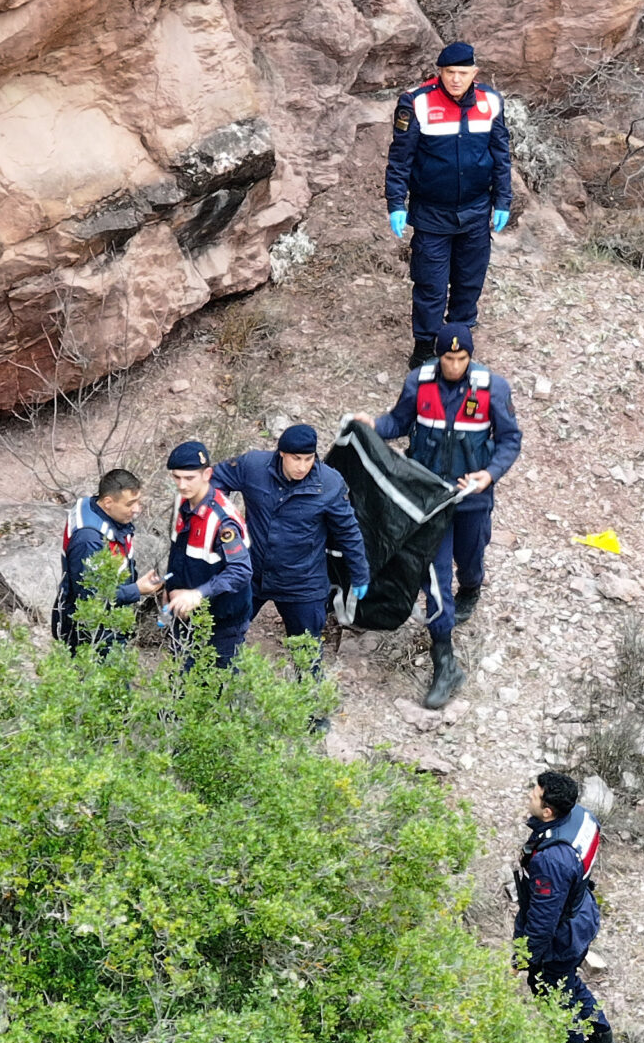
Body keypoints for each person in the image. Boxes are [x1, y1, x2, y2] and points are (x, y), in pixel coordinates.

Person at [348, 322, 520, 708]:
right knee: (435, 577)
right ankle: (445, 659)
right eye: (448, 357)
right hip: (428, 500)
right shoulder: (418, 382)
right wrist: (374, 424)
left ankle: (472, 588)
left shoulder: (493, 388)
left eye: (462, 358)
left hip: (472, 497)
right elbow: (399, 421)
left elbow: (510, 440)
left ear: (470, 357)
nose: (455, 365)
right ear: (438, 355)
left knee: (470, 559)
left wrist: (489, 474)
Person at [385, 43, 511, 370]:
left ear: (475, 73)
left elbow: (500, 156)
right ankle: (425, 349)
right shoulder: (416, 103)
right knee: (431, 285)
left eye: (463, 73)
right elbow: (400, 160)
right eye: (450, 72)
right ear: (439, 72)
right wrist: (396, 202)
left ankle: (457, 343)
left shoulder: (491, 102)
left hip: (476, 211)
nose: (456, 80)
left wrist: (503, 200)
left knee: (469, 281)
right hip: (431, 214)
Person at [214, 424, 370, 685]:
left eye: (308, 459)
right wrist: (222, 522)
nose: (302, 466)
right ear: (282, 454)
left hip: (302, 582)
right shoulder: (253, 466)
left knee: (307, 655)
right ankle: (215, 696)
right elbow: (215, 481)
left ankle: (312, 714)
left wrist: (360, 573)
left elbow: (348, 531)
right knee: (223, 636)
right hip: (251, 574)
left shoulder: (329, 484)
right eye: (296, 459)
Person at [513, 770, 620, 1043]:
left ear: (548, 811)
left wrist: (522, 957)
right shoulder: (583, 818)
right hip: (581, 913)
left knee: (552, 992)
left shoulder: (551, 859)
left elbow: (543, 919)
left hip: (562, 935)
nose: (530, 794)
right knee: (568, 985)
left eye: (535, 793)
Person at [158, 441, 254, 667]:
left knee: (218, 690)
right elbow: (179, 550)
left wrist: (197, 595)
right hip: (185, 614)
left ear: (207, 474)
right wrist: (170, 587)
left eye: (189, 478)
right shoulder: (181, 502)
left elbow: (241, 571)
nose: (182, 485)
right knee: (181, 682)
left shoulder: (222, 521)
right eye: (177, 477)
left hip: (221, 622)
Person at [51, 468, 146, 651]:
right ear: (108, 502)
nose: (136, 509)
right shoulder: (89, 540)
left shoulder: (95, 509)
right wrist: (136, 590)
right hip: (91, 630)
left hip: (108, 618)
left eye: (138, 501)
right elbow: (91, 598)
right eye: (130, 504)